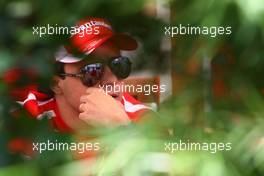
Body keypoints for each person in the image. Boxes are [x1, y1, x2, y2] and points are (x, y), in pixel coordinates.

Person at [4, 17, 149, 134]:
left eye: (118, 65)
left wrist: (122, 129)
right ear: (55, 84)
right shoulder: (27, 121)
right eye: (93, 71)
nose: (112, 80)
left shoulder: (143, 119)